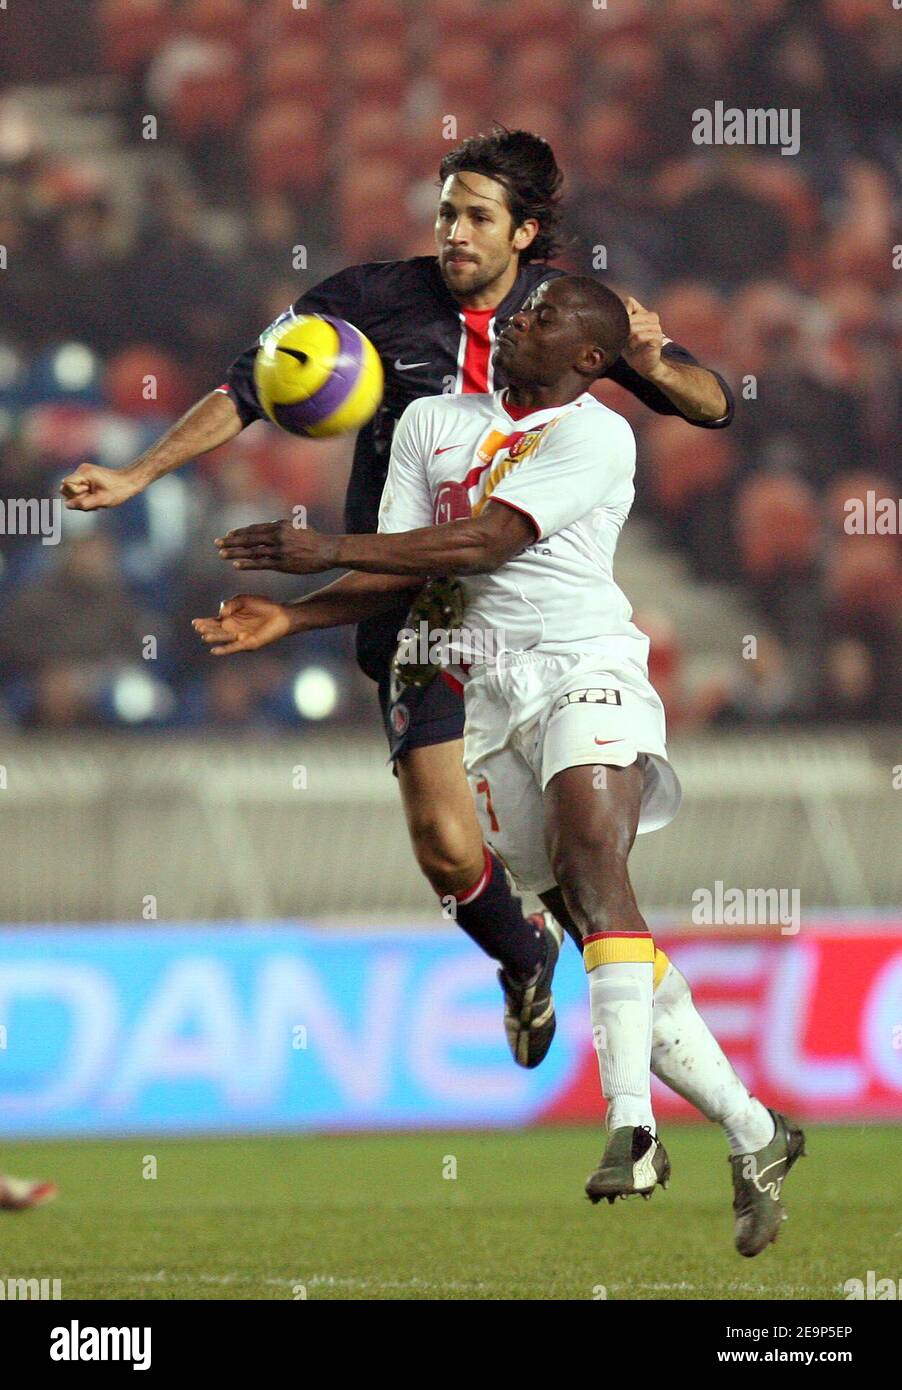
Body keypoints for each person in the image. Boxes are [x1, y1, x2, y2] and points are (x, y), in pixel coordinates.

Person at [61, 127, 733, 1071]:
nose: (454, 231)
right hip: (413, 596)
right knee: (446, 848)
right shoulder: (366, 300)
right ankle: (523, 957)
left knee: (577, 866)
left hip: (525, 616)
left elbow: (712, 406)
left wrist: (657, 362)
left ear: (526, 233)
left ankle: (662, 1057)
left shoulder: (570, 317)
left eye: (477, 217)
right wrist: (138, 473)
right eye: (447, 211)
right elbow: (248, 387)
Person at [194, 277, 805, 1235]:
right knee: (595, 916)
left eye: (548, 315)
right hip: (489, 689)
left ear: (591, 361)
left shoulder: (597, 433)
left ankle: (632, 1129)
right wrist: (295, 617)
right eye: (527, 309)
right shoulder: (430, 422)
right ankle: (753, 1125)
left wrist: (316, 550)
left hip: (585, 668)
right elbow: (406, 560)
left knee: (593, 868)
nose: (522, 316)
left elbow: (484, 540)